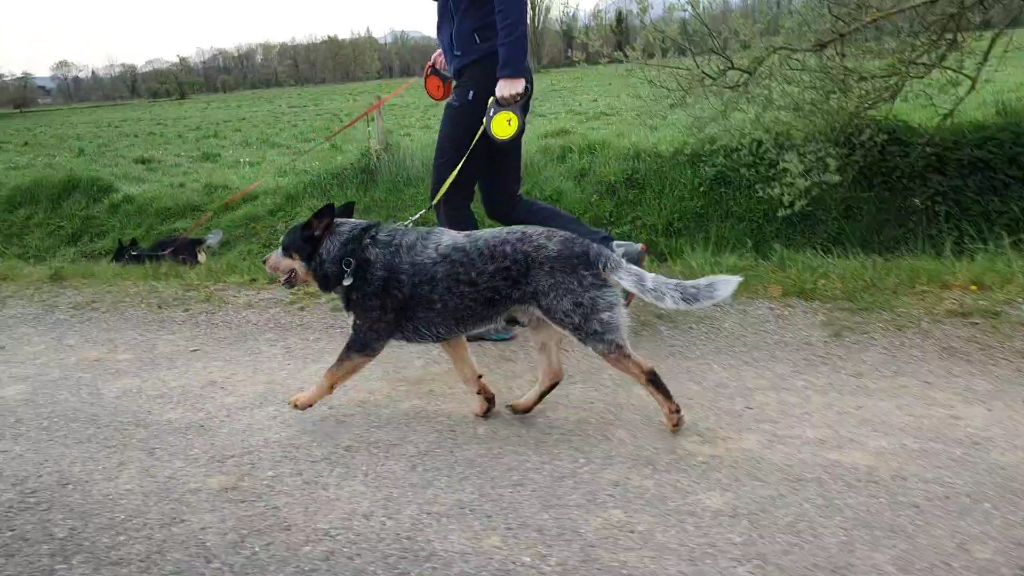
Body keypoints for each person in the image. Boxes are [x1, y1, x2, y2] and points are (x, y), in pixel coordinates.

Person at [429, 0, 647, 341]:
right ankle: (612, 253)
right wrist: (451, 52)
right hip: (483, 70)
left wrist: (510, 67)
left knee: (448, 198)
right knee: (503, 202)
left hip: (490, 77)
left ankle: (479, 312)